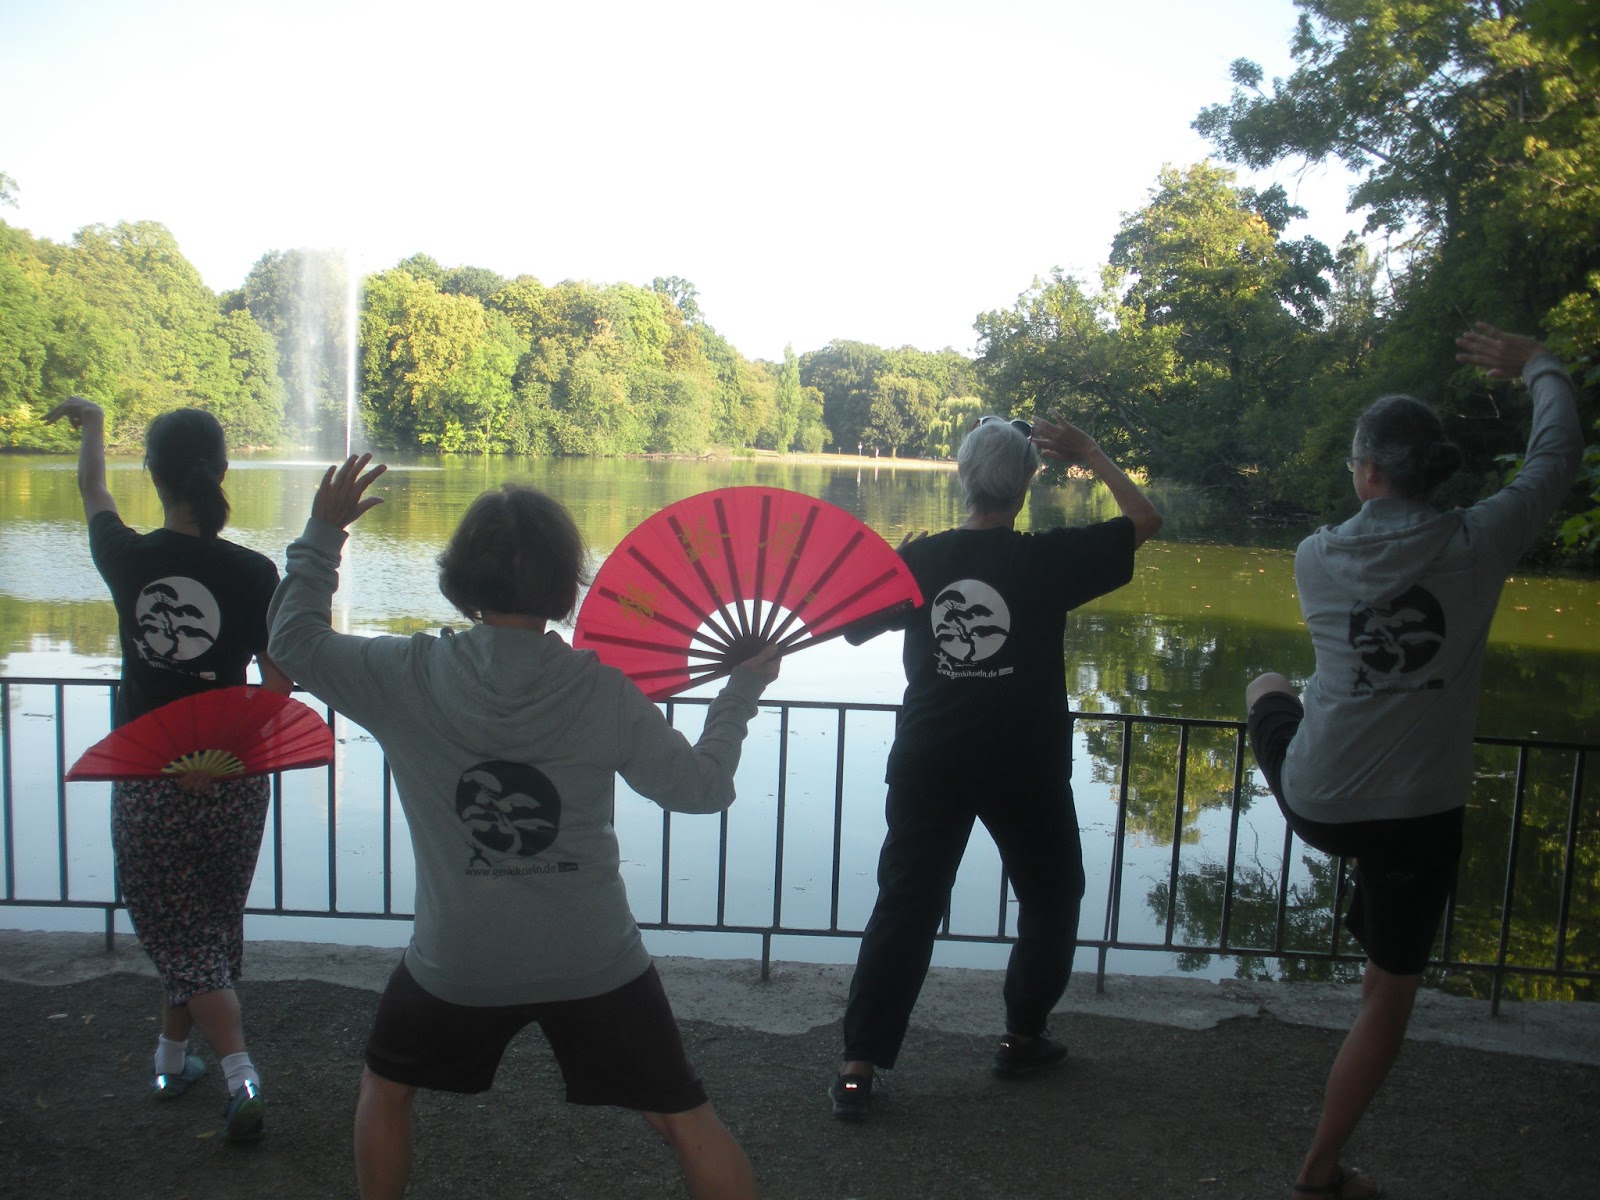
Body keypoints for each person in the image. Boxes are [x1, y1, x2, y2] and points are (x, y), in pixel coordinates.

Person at [266, 461, 780, 1200]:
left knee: (386, 1090)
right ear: (565, 584)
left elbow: (294, 641)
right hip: (594, 956)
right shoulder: (602, 689)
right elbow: (702, 791)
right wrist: (741, 690)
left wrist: (323, 537)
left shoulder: (405, 674)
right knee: (684, 1119)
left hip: (457, 958)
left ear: (459, 578)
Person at [1244, 324, 1583, 1199]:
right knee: (1386, 998)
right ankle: (1319, 1171)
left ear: (1366, 473)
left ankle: (1306, 748)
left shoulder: (1316, 556)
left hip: (1318, 801)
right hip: (1421, 813)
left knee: (1269, 683)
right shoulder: (1483, 541)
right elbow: (1554, 455)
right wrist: (1540, 365)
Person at [830, 412, 1162, 1119]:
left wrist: (890, 564)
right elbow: (1143, 516)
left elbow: (849, 624)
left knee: (907, 904)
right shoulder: (1047, 560)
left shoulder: (922, 561)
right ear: (1027, 487)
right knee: (1051, 895)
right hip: (1025, 760)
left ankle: (857, 1069)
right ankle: (1021, 1037)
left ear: (963, 480)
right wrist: (1092, 450)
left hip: (930, 757)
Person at [44, 397, 290, 1142]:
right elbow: (277, 687)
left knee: (183, 936)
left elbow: (93, 492)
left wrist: (92, 428)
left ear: (153, 475)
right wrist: (219, 760)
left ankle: (241, 1076)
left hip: (150, 780)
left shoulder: (127, 558)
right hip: (235, 781)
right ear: (222, 471)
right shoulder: (255, 572)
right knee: (206, 929)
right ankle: (169, 1056)